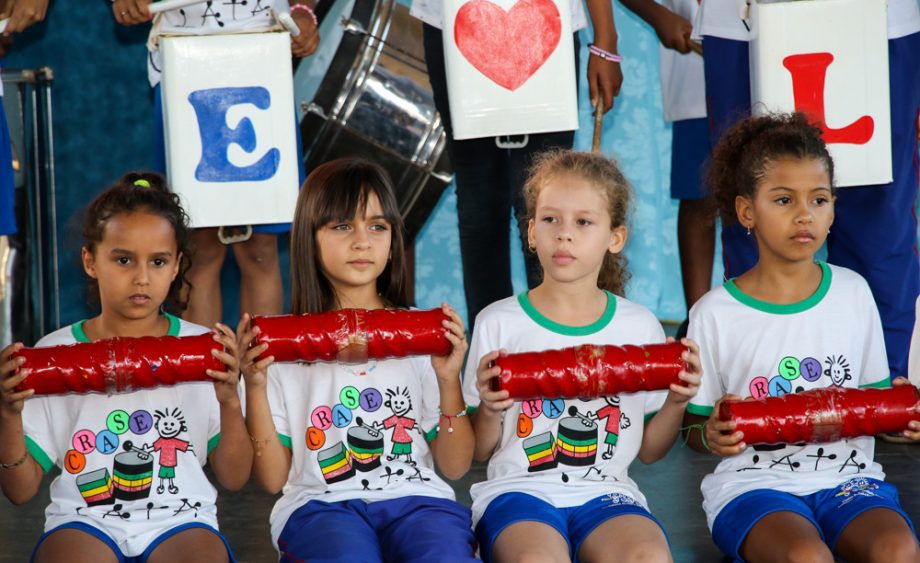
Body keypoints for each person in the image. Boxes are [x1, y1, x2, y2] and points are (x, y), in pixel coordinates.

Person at [683, 113, 920, 562]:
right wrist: (712, 433)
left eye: (819, 199)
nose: (804, 215)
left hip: (850, 481)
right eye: (784, 200)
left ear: (833, 208)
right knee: (805, 556)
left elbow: (870, 403)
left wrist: (903, 416)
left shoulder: (853, 292)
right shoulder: (714, 313)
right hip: (754, 489)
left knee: (898, 548)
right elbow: (693, 427)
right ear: (746, 211)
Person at [0, 173, 251, 562]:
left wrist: (230, 401)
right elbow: (20, 490)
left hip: (181, 519)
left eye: (158, 261)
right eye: (123, 259)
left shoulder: (203, 350)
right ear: (90, 261)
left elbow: (234, 478)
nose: (141, 277)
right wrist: (8, 413)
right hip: (84, 519)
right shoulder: (55, 353)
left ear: (176, 266)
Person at [466, 150, 702, 563]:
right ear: (531, 232)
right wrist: (489, 408)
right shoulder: (497, 322)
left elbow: (647, 451)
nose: (564, 234)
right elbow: (481, 450)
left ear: (615, 238)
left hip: (607, 494)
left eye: (583, 222)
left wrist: (677, 402)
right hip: (520, 494)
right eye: (550, 219)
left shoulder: (640, 327)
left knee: (650, 557)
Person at [238, 157, 477, 561]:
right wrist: (256, 386)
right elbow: (272, 477)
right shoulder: (279, 347)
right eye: (342, 226)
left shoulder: (418, 335)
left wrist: (449, 379)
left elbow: (454, 467)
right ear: (309, 238)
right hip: (320, 505)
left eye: (377, 227)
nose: (362, 241)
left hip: (418, 499)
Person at [694, 0, 920, 379]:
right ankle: (757, 387)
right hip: (743, 21)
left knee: (880, 224)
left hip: (880, 20)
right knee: (757, 210)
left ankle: (887, 391)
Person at [411, 0, 622, 326]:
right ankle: (492, 345)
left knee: (547, 198)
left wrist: (606, 41)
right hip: (455, 23)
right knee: (478, 203)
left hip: (547, 20)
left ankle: (555, 335)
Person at [112, 0, 320, 328]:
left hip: (264, 52)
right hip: (181, 55)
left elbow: (300, 7)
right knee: (198, 247)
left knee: (261, 247)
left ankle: (261, 375)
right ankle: (202, 377)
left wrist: (303, 11)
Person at [620, 0, 712, 337]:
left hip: (768, 55)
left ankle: (754, 308)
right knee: (698, 194)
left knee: (760, 192)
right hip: (694, 78)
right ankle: (699, 321)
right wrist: (659, 15)